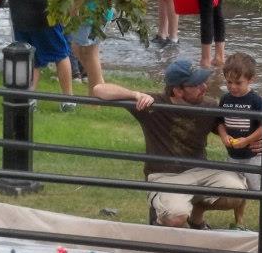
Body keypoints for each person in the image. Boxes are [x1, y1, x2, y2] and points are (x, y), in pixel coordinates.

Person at [91, 59, 245, 229]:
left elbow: (231, 131)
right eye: (196, 84)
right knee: (175, 218)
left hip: (201, 170)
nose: (204, 87)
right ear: (177, 91)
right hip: (164, 175)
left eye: (203, 81)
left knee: (238, 191)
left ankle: (196, 217)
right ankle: (160, 217)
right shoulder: (152, 104)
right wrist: (135, 95)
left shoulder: (209, 106)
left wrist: (257, 138)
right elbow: (99, 89)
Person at [215, 52, 262, 235]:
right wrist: (224, 136)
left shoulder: (255, 101)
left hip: (253, 155)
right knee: (239, 189)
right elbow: (219, 122)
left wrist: (247, 140)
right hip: (233, 156)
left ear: (251, 80)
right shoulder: (225, 99)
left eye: (238, 83)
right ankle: (239, 222)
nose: (233, 87)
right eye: (229, 82)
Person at [67, 0, 112, 93]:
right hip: (95, 8)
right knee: (85, 52)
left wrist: (75, 6)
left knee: (86, 53)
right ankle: (98, 94)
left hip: (91, 10)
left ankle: (100, 96)